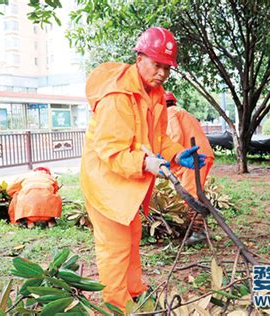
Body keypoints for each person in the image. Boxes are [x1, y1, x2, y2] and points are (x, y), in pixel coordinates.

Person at [80, 27, 206, 311]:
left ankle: (134, 290)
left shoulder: (156, 94)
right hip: (106, 183)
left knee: (132, 235)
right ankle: (116, 304)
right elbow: (112, 151)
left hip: (128, 184)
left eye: (167, 67)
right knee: (115, 247)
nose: (161, 72)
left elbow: (157, 138)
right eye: (156, 64)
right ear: (140, 58)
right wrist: (146, 163)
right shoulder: (117, 96)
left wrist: (177, 154)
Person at [165, 91, 215, 245]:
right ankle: (203, 223)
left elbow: (175, 137)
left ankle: (199, 232)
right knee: (194, 193)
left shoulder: (169, 112)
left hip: (193, 158)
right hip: (199, 155)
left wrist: (171, 157)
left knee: (189, 195)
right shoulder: (183, 112)